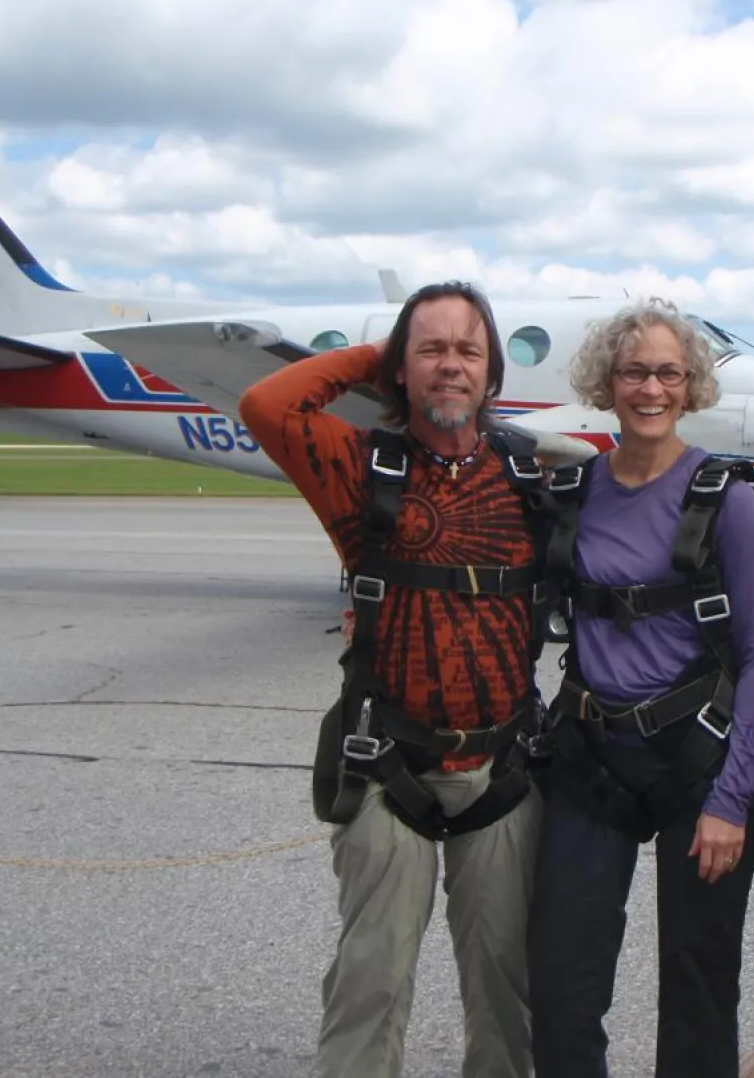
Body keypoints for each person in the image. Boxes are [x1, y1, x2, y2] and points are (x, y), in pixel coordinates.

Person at [238, 281, 548, 1078]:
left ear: (493, 374)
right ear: (399, 372)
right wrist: (371, 357)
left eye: (468, 352)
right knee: (369, 985)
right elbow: (267, 405)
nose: (451, 367)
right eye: (431, 350)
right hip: (388, 766)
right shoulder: (358, 469)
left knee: (508, 992)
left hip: (501, 770)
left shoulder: (532, 477)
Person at [525, 298, 754, 1078]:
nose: (651, 388)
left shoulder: (726, 500)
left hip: (698, 762)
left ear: (691, 385)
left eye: (669, 372)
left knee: (700, 985)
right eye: (634, 371)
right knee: (561, 986)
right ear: (608, 381)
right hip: (591, 757)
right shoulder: (569, 495)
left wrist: (730, 800)